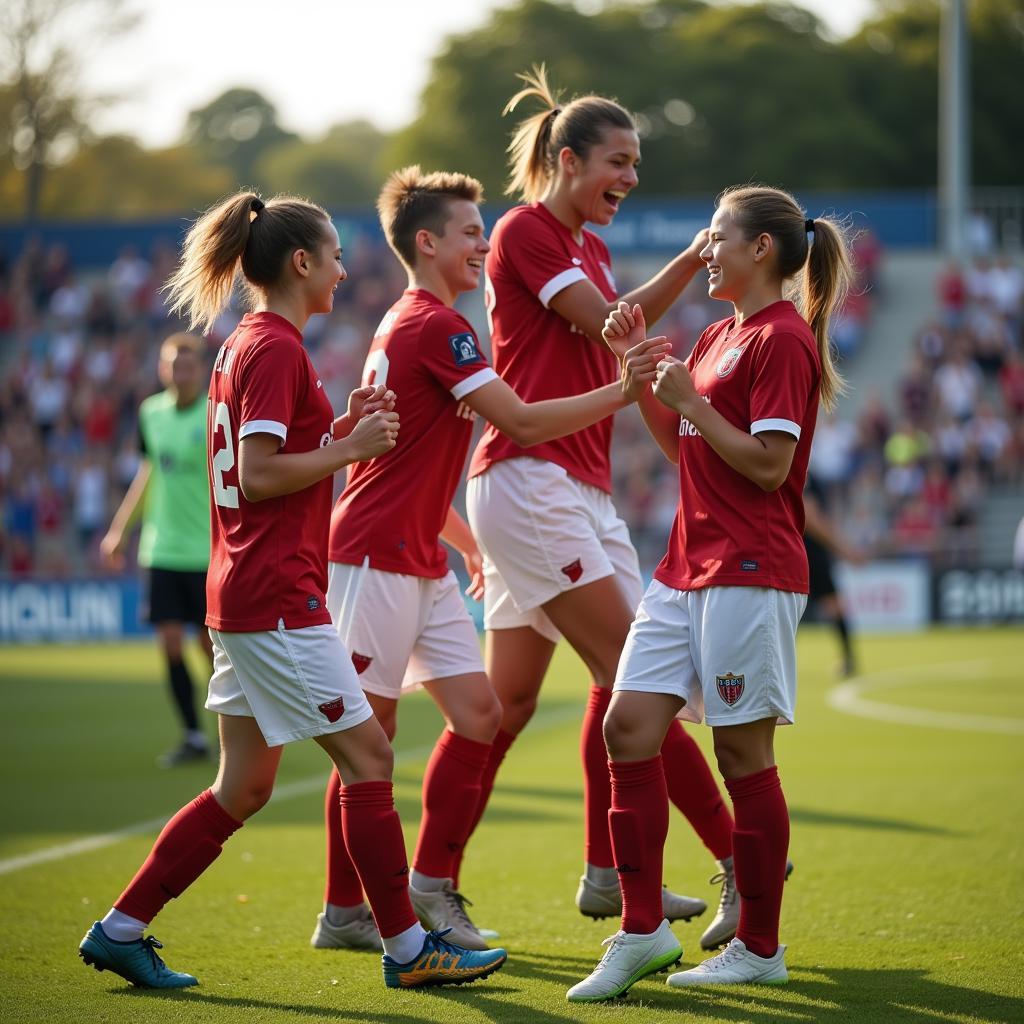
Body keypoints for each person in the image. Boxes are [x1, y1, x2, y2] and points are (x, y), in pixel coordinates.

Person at [78, 189, 507, 991]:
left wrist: (341, 431)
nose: (345, 272)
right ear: (301, 263)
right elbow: (259, 473)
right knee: (370, 757)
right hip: (277, 596)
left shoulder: (248, 343)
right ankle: (411, 948)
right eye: (336, 257)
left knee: (242, 785)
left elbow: (268, 461)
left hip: (246, 591)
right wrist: (349, 449)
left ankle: (122, 927)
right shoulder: (273, 346)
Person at [312, 166, 669, 954]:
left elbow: (399, 462)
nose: (484, 243)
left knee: (481, 716)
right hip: (373, 556)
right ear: (427, 241)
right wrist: (622, 390)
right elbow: (519, 423)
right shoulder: (437, 326)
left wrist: (464, 544)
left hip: (418, 557)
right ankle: (347, 912)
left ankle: (428, 893)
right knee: (369, 743)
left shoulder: (417, 322)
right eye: (471, 232)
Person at [460, 65, 738, 946]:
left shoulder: (592, 246)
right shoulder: (525, 231)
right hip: (530, 477)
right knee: (638, 679)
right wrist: (696, 259)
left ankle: (588, 877)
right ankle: (742, 861)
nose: (629, 178)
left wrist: (692, 261)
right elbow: (611, 327)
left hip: (574, 485)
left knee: (509, 709)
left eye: (637, 165)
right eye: (617, 161)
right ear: (567, 159)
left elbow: (624, 332)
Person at [568, 184, 853, 1001]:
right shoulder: (719, 334)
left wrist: (688, 396)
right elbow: (686, 445)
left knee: (740, 755)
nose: (705, 250)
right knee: (628, 728)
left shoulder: (783, 338)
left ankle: (759, 945)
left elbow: (767, 465)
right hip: (683, 568)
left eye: (717, 237)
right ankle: (641, 931)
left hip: (750, 569)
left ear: (760, 249)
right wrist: (650, 379)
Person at [101, 333, 215, 767]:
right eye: (172, 365)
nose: (178, 373)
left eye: (187, 366)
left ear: (200, 371)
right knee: (169, 643)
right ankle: (192, 735)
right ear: (162, 369)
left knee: (210, 648)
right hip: (161, 549)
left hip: (206, 551)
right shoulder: (151, 415)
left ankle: (235, 730)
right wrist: (119, 530)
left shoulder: (213, 416)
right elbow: (148, 475)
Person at [803, 471, 866, 677]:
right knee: (832, 604)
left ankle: (848, 659)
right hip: (807, 550)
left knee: (831, 604)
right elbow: (810, 518)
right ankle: (848, 658)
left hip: (807, 550)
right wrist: (844, 549)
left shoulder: (805, 470)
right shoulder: (803, 471)